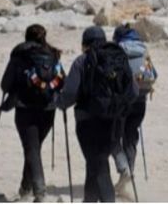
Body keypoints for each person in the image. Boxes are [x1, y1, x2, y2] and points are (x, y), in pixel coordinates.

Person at [57, 25, 137, 203]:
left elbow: (70, 94)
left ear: (85, 44)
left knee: (99, 166)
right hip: (114, 122)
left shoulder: (82, 61)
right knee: (95, 163)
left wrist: (59, 103)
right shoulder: (118, 58)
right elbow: (134, 91)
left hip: (88, 123)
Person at [0, 24, 65, 203]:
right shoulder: (53, 55)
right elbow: (61, 81)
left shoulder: (20, 54)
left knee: (31, 148)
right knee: (33, 148)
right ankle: (25, 188)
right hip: (48, 110)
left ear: (26, 37)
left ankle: (39, 191)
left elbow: (5, 84)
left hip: (25, 108)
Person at [111, 24, 156, 197]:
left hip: (122, 100)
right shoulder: (143, 49)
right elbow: (154, 74)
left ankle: (124, 169)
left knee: (113, 137)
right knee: (131, 136)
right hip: (140, 99)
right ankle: (129, 170)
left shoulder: (117, 49)